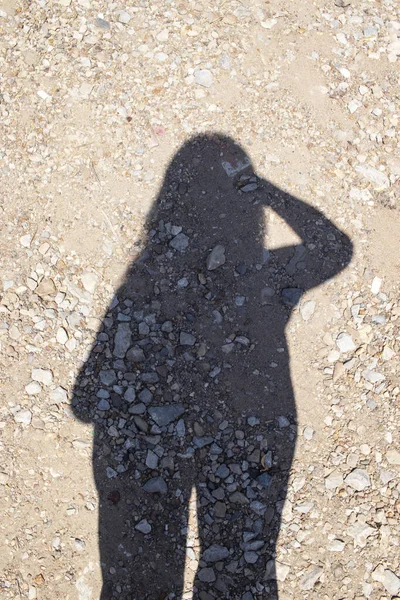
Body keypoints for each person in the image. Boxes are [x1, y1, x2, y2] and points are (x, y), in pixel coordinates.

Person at [72, 134, 353, 599]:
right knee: (241, 567)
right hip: (255, 441)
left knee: (148, 578)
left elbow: (85, 402)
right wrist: (264, 189)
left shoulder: (141, 285)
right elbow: (333, 248)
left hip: (160, 469)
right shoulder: (264, 275)